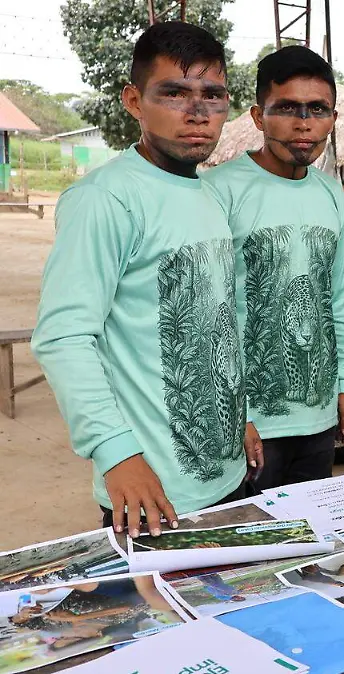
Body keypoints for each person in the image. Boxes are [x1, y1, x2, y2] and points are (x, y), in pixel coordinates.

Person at [32, 22, 248, 537]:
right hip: (150, 485)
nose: (197, 113)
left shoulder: (209, 193)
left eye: (212, 96)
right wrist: (116, 452)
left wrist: (245, 417)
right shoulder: (106, 199)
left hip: (227, 470)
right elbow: (64, 338)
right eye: (174, 93)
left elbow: (222, 321)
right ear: (134, 100)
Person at [203, 46, 344, 490]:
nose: (303, 122)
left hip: (318, 417)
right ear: (258, 116)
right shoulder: (218, 191)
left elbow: (341, 298)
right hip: (249, 422)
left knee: (310, 538)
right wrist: (235, 413)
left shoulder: (331, 193)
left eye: (317, 109)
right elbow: (208, 315)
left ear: (332, 117)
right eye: (286, 108)